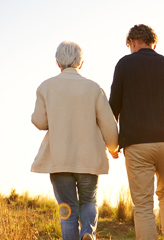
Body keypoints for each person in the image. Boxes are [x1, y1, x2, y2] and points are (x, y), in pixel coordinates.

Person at [31, 41, 119, 240]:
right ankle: (87, 232)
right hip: (89, 159)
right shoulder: (94, 87)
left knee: (68, 210)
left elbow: (39, 121)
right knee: (88, 201)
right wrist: (113, 147)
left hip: (59, 159)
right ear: (81, 62)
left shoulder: (45, 87)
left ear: (57, 63)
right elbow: (109, 124)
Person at [109, 24, 164, 240]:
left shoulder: (125, 64)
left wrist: (111, 144)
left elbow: (113, 106)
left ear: (132, 42)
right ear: (154, 43)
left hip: (138, 141)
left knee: (143, 202)